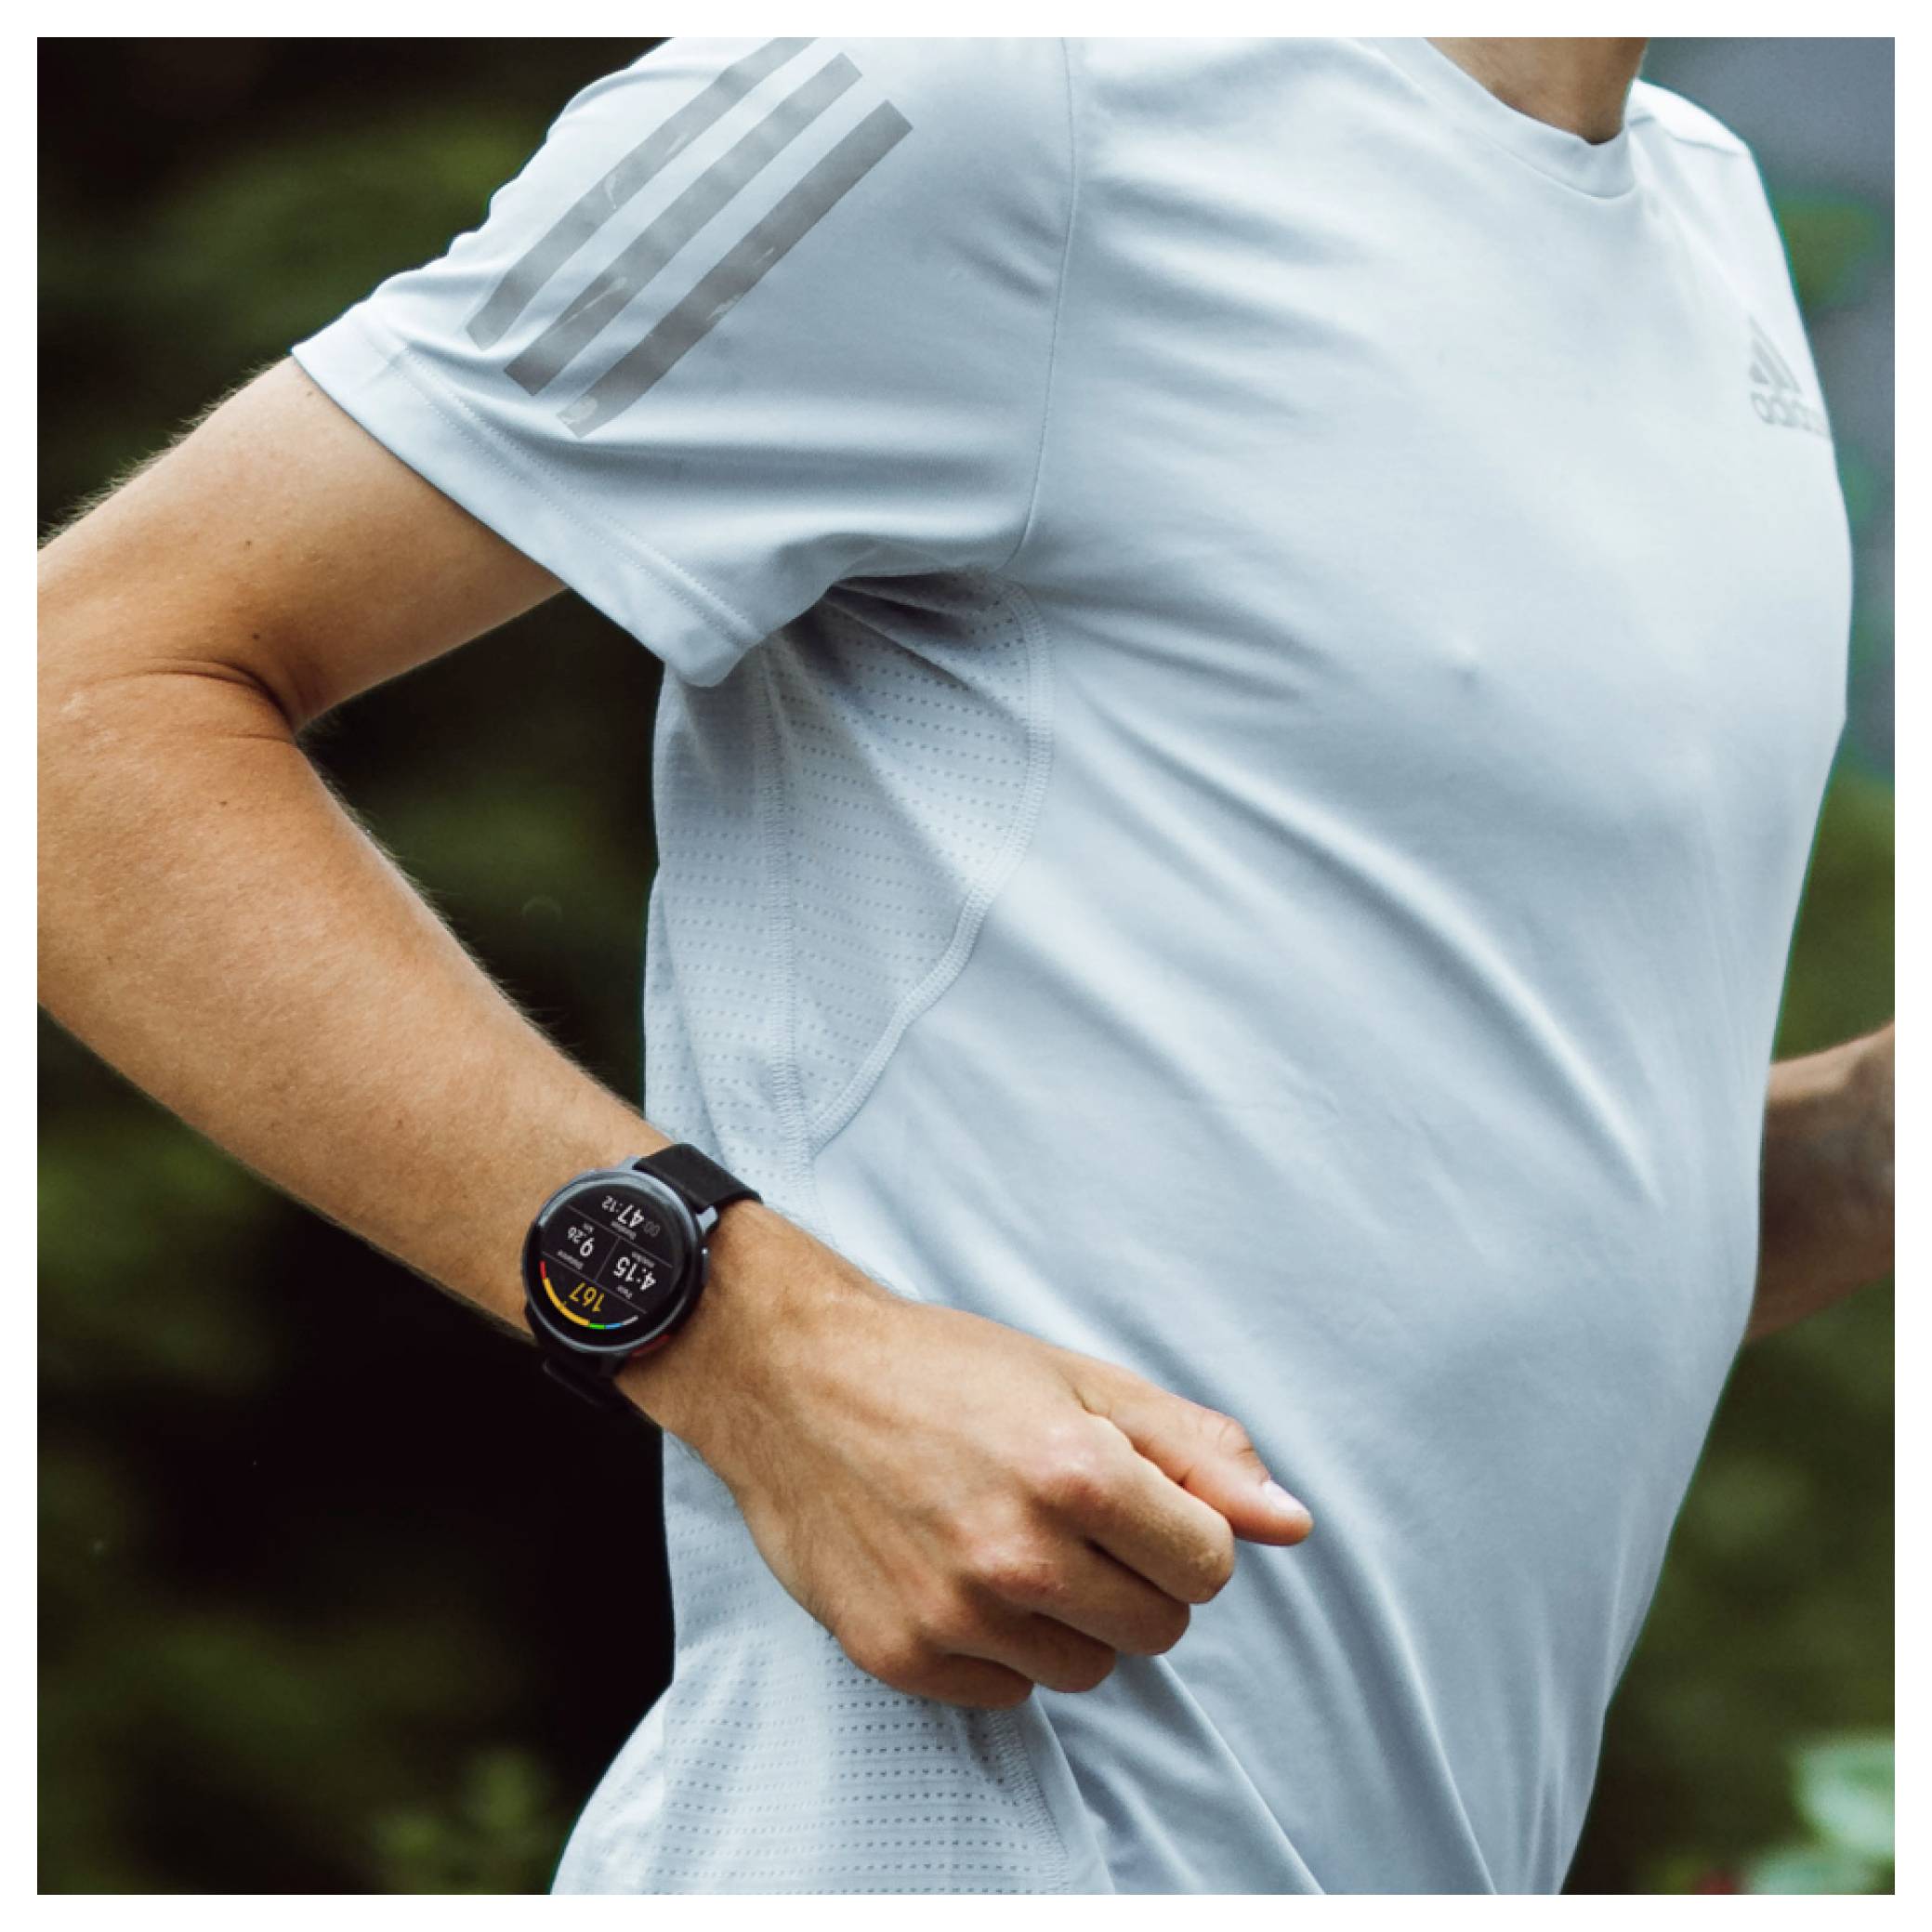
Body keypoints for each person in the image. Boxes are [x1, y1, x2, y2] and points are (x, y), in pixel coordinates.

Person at [38, 36, 1894, 1895]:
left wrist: (1861, 1150)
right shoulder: (989, 88)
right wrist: (748, 1342)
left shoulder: (1705, 221)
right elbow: (74, 706)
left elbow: (1437, 1202)